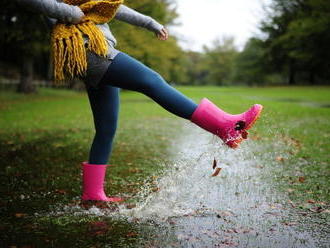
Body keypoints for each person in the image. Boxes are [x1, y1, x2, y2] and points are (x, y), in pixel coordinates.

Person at [17, 0, 263, 203]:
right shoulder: (74, 7)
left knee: (106, 129)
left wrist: (151, 23)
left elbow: (111, 7)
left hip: (91, 53)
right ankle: (224, 126)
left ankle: (92, 194)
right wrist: (74, 13)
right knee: (152, 81)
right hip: (89, 49)